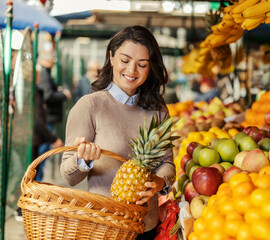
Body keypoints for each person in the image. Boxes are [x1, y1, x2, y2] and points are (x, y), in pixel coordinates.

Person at [60, 25, 175, 240]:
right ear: (111, 56)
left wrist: (159, 182)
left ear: (151, 68)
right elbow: (68, 176)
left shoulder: (158, 111)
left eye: (142, 64)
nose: (132, 70)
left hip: (146, 226)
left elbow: (167, 164)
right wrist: (83, 160)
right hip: (104, 227)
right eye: (125, 60)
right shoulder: (89, 106)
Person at [36, 49, 71, 181]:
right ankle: (37, 181)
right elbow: (48, 95)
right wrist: (63, 94)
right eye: (52, 59)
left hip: (48, 117)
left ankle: (38, 180)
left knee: (44, 151)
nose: (54, 61)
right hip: (47, 118)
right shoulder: (44, 74)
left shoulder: (46, 73)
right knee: (43, 152)